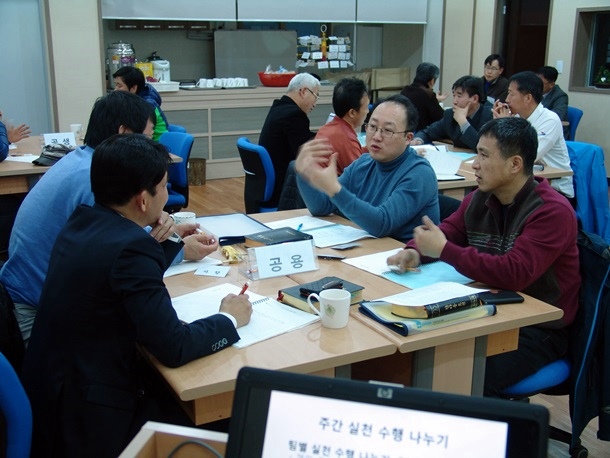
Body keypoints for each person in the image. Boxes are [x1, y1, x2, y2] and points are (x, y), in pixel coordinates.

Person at [20, 134, 253, 457]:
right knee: (233, 415)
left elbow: (122, 271)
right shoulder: (131, 250)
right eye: (165, 186)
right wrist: (229, 318)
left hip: (54, 393)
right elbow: (174, 347)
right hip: (92, 417)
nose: (168, 195)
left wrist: (170, 239)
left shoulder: (83, 221)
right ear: (143, 200)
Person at [0, 91, 218, 345]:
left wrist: (169, 237)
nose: (151, 144)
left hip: (30, 294)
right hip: (38, 315)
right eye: (148, 137)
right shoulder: (97, 180)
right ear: (124, 133)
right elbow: (124, 256)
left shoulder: (83, 160)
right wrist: (181, 250)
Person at [387, 117, 580, 397]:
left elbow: (514, 273)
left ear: (515, 164)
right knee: (417, 357)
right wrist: (414, 251)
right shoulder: (480, 198)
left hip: (538, 328)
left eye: (484, 155)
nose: (474, 164)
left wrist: (442, 250)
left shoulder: (552, 212)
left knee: (459, 376)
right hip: (489, 312)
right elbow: (450, 231)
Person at [296, 94, 439, 243]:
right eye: (372, 127)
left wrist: (335, 190)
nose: (376, 136)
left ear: (408, 138)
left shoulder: (420, 173)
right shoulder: (363, 163)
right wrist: (304, 172)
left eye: (387, 130)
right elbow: (321, 207)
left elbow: (382, 223)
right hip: (370, 249)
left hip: (404, 253)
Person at [492, 70, 574, 199]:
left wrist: (506, 124)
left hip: (555, 189)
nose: (507, 100)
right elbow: (497, 150)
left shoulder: (550, 120)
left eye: (511, 94)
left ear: (528, 98)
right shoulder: (517, 117)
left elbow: (527, 156)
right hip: (526, 182)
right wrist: (499, 124)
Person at [259, 73, 319, 207]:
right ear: (303, 92)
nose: (315, 103)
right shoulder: (294, 114)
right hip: (283, 189)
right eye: (315, 96)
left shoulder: (279, 107)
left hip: (266, 185)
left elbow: (300, 137)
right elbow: (303, 154)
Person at [412, 76, 493, 150]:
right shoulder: (450, 114)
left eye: (459, 96)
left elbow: (481, 147)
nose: (454, 101)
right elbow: (427, 132)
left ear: (475, 99)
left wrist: (463, 122)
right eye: (454, 96)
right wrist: (418, 140)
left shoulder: (489, 116)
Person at [315, 77, 369, 174]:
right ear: (352, 113)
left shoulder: (326, 129)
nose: (368, 111)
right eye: (366, 107)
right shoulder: (346, 139)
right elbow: (361, 177)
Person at [113, 66, 169, 141]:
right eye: (115, 85)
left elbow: (139, 134)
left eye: (119, 86)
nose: (115, 90)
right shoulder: (132, 101)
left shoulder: (147, 105)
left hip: (156, 143)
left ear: (133, 88)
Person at [400, 62, 448, 131]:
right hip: (421, 133)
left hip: (405, 131)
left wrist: (435, 99)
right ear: (432, 81)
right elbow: (440, 118)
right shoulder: (428, 94)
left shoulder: (405, 90)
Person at [536, 65, 569, 139]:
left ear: (551, 85)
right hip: (538, 128)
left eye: (541, 83)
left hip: (553, 132)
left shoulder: (560, 96)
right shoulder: (534, 92)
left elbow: (558, 115)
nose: (537, 85)